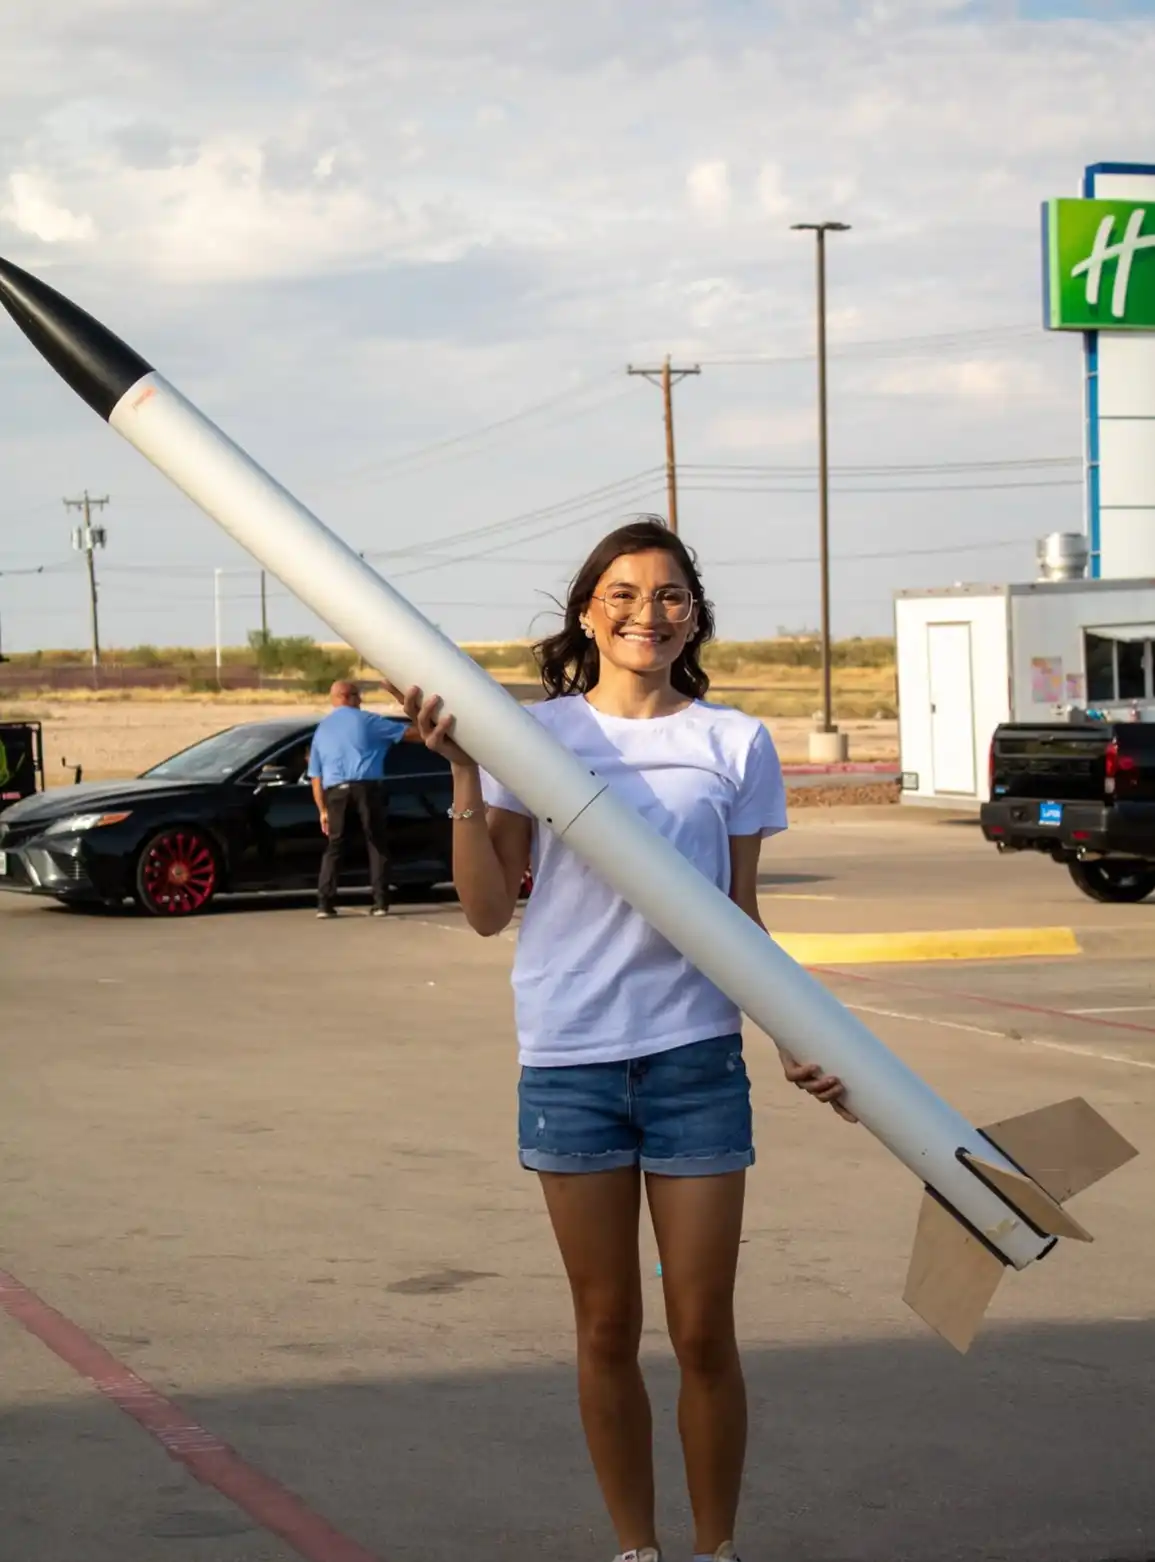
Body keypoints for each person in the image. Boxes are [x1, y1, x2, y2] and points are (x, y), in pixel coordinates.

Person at [398, 517, 854, 1562]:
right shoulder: (534, 736)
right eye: (625, 593)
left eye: (670, 595)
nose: (648, 613)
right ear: (587, 610)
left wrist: (796, 1034)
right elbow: (481, 910)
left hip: (697, 1057)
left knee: (701, 1331)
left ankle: (716, 1547)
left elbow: (743, 914)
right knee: (607, 1328)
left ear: (693, 613)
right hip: (571, 1058)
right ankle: (635, 1548)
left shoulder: (733, 740)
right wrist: (466, 777)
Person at [308, 679, 409, 918]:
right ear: (348, 696)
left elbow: (315, 776)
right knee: (375, 842)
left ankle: (324, 903)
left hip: (335, 793)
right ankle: (380, 902)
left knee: (335, 846)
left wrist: (322, 809)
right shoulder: (369, 722)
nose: (361, 700)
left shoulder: (322, 730)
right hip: (366, 788)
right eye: (358, 695)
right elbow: (413, 734)